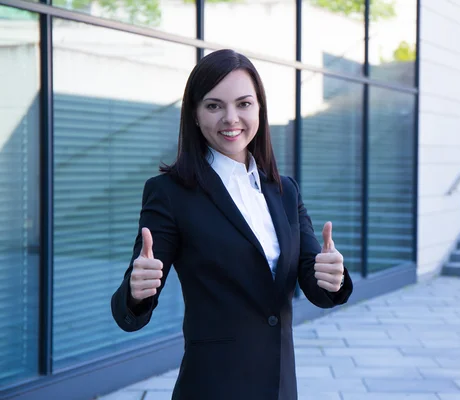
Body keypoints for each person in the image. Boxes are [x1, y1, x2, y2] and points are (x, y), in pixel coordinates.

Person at [111, 49, 353, 400]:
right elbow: (128, 312)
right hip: (213, 387)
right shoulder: (170, 193)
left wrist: (331, 276)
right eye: (214, 106)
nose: (231, 118)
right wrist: (136, 292)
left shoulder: (284, 191)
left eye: (243, 104)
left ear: (259, 109)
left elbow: (313, 282)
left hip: (280, 387)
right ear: (194, 114)